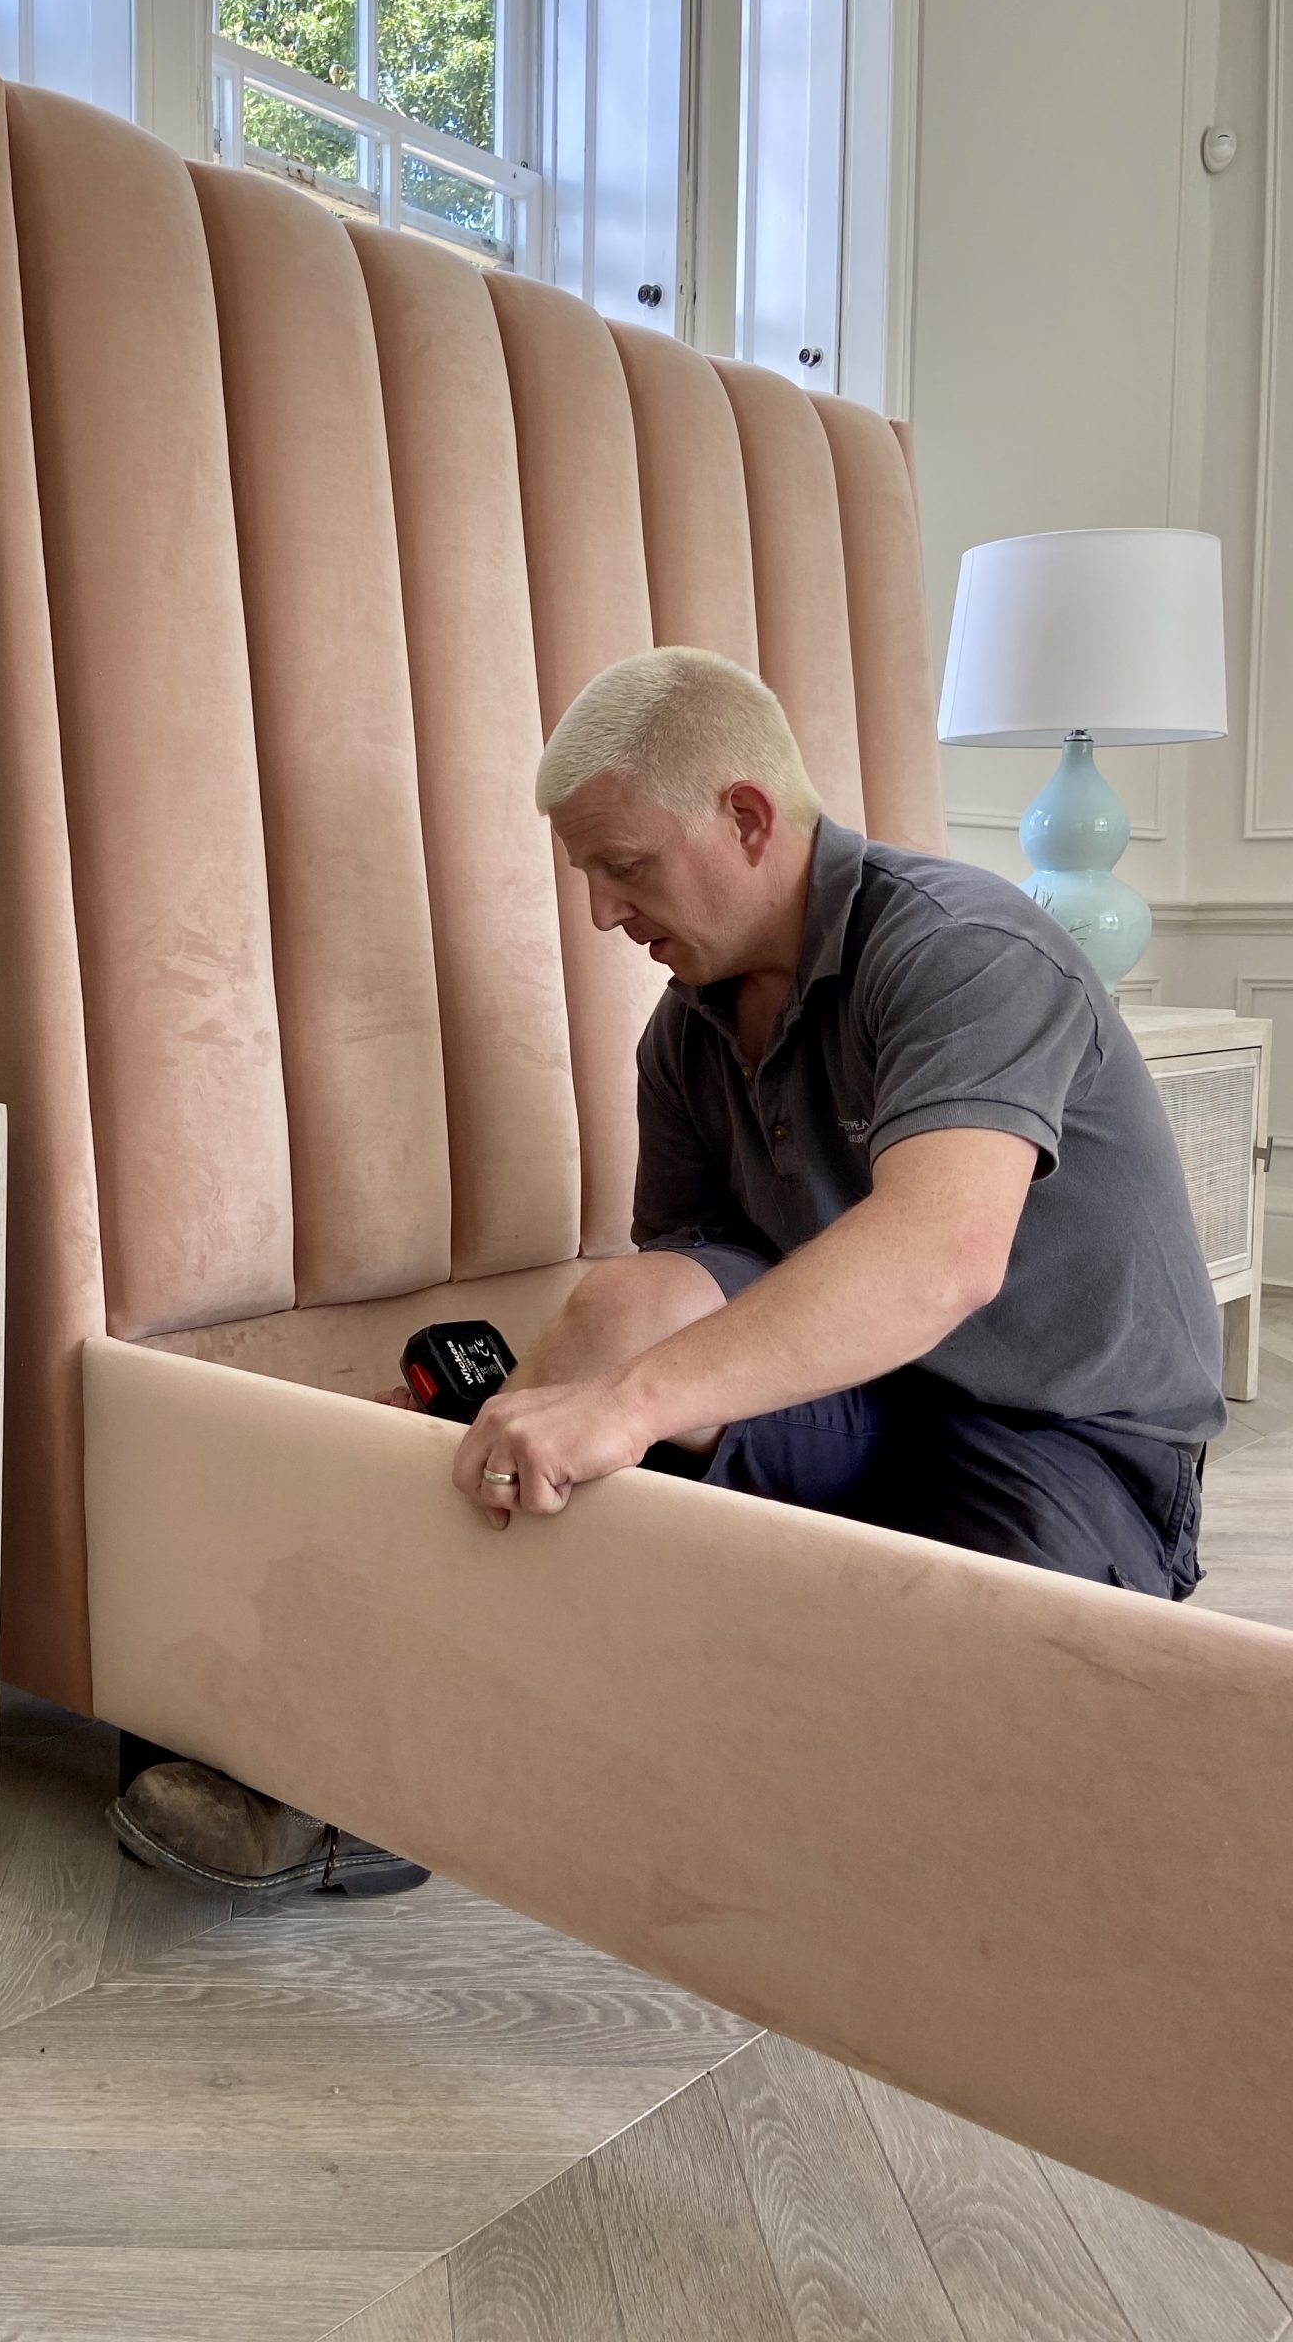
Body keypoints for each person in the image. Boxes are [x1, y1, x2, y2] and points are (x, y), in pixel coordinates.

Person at [108, 647, 1221, 1897]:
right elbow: (688, 1282)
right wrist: (534, 1410)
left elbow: (941, 1258)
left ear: (748, 818)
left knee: (929, 1768)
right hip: (862, 1407)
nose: (599, 913)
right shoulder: (685, 1034)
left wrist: (624, 1411)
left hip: (1067, 1438)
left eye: (623, 867)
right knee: (627, 1305)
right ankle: (352, 1760)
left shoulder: (964, 950)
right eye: (587, 873)